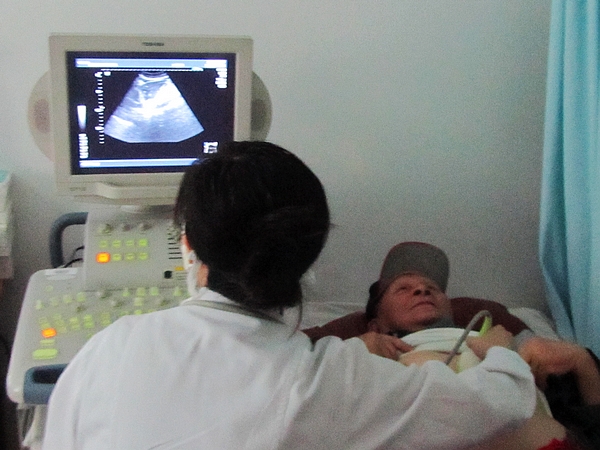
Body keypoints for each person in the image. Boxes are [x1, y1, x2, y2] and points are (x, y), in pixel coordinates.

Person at [42, 142, 537, 450]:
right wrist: (501, 354)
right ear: (310, 255)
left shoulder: (110, 348)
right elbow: (501, 404)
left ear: (187, 245)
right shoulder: (330, 382)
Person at [357, 241, 600, 449]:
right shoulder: (361, 361)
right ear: (376, 326)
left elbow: (590, 433)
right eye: (403, 289)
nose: (422, 289)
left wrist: (584, 364)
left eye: (433, 288)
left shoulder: (521, 352)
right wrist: (357, 353)